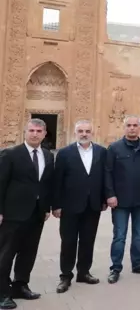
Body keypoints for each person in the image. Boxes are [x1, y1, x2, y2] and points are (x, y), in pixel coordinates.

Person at [0, 119, 54, 309]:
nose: (34, 134)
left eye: (39, 130)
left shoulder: (48, 156)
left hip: (36, 214)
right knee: (5, 254)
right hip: (13, 214)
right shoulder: (10, 154)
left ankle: (20, 286)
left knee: (28, 253)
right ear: (25, 132)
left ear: (44, 133)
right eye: (31, 130)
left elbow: (46, 184)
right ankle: (2, 293)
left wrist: (46, 208)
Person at [52, 120, 107, 293]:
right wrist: (56, 205)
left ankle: (84, 272)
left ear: (93, 132)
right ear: (75, 132)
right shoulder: (64, 153)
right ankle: (65, 276)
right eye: (81, 131)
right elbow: (57, 181)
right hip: (69, 206)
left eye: (87, 131)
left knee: (88, 240)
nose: (84, 134)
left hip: (92, 206)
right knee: (68, 241)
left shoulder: (101, 152)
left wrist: (104, 199)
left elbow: (105, 177)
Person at [105, 115, 140, 284]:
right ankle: (115, 267)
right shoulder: (115, 148)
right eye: (129, 125)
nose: (132, 128)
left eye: (135, 125)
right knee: (119, 235)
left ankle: (138, 263)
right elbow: (108, 173)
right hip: (120, 201)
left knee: (139, 235)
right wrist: (110, 194)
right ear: (124, 127)